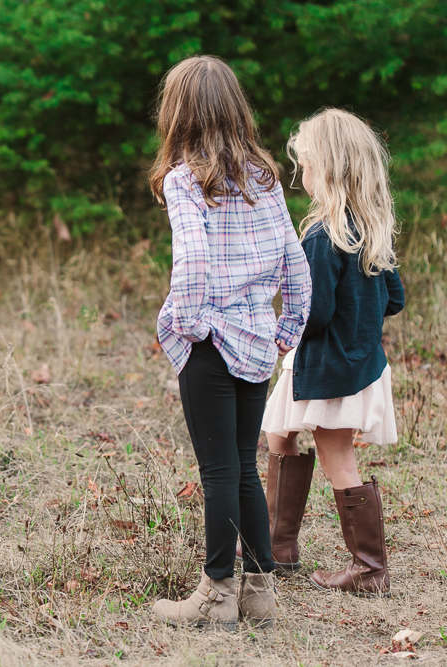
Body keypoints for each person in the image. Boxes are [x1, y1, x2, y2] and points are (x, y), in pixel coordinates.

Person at [148, 55, 312, 630]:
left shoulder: (185, 181)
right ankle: (259, 592)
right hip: (257, 342)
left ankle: (216, 596)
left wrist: (191, 327)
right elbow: (296, 264)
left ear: (178, 113)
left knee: (218, 471)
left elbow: (190, 264)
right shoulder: (262, 179)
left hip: (212, 342)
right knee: (244, 466)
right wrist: (285, 330)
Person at [257, 108, 404, 596]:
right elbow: (396, 299)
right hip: (355, 363)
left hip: (327, 368)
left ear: (332, 169)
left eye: (309, 167)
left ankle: (369, 570)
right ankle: (278, 544)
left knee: (337, 457)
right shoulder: (370, 229)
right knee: (279, 434)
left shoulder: (324, 235)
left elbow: (314, 313)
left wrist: (284, 301)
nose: (303, 177)